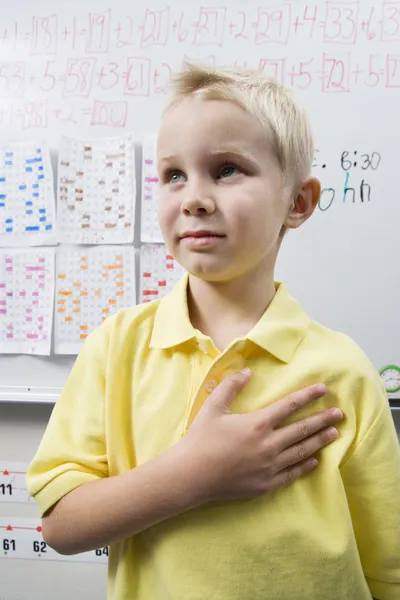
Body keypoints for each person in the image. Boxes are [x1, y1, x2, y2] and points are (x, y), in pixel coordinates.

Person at [26, 64, 400, 600]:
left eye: (226, 169)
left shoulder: (342, 367)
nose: (193, 197)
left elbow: (388, 564)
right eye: (173, 175)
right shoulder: (118, 346)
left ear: (298, 202)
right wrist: (193, 474)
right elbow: (61, 525)